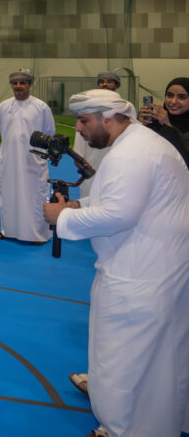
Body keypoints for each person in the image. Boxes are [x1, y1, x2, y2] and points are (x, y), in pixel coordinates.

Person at [43, 89, 189, 437]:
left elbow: (118, 214)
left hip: (141, 270)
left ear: (108, 120)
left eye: (84, 121)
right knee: (156, 353)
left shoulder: (132, 153)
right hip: (152, 263)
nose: (78, 129)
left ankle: (122, 428)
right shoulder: (138, 143)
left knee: (125, 350)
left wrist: (62, 217)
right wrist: (79, 205)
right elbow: (119, 199)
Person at [0, 68, 54, 243]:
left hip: (33, 160)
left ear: (29, 85)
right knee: (9, 194)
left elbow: (49, 132)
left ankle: (37, 234)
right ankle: (8, 230)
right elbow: (2, 130)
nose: (18, 86)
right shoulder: (3, 106)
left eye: (22, 83)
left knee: (34, 195)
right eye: (15, 83)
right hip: (9, 159)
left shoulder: (41, 107)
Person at [73, 71, 122, 199]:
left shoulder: (125, 112)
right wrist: (82, 165)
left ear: (117, 85)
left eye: (109, 82)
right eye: (102, 82)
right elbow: (78, 151)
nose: (105, 84)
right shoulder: (86, 111)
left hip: (118, 171)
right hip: (91, 173)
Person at [140, 76, 189, 152]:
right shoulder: (158, 121)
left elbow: (182, 157)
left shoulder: (164, 121)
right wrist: (141, 124)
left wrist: (167, 125)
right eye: (170, 95)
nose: (173, 101)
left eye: (181, 97)